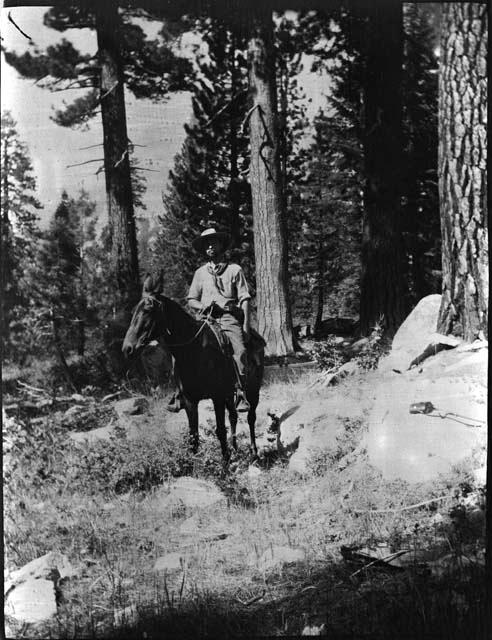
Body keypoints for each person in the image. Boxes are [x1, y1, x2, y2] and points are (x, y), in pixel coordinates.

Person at [167, 228, 251, 413]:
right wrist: (201, 307)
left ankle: (239, 391)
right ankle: (179, 392)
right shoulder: (200, 273)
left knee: (240, 350)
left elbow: (244, 298)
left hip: (228, 317)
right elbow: (191, 299)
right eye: (206, 244)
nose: (210, 246)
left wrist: (245, 326)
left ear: (222, 245)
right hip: (205, 319)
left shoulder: (234, 270)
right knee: (179, 351)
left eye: (214, 242)